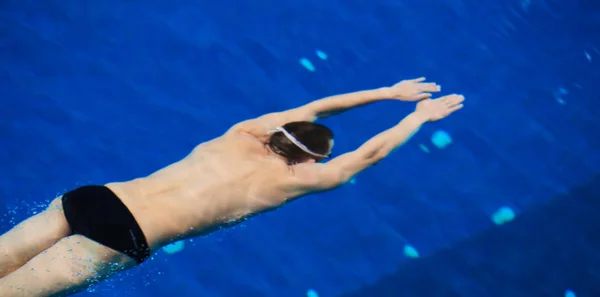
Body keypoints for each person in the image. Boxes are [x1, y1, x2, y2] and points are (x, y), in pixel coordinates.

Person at [0, 77, 463, 296]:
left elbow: (317, 107)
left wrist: (385, 93)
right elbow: (370, 154)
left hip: (97, 197)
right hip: (121, 238)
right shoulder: (298, 181)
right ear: (314, 158)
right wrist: (418, 116)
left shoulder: (244, 133)